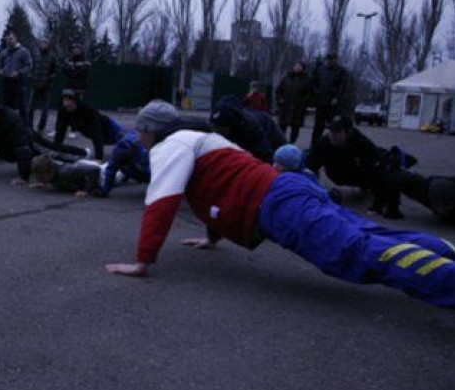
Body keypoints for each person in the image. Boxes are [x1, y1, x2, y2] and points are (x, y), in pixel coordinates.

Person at [104, 100, 455, 310]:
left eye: (141, 131)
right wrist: (212, 239)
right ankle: (442, 249)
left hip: (278, 204)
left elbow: (161, 203)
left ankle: (447, 281)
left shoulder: (169, 147)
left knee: (354, 252)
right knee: (367, 232)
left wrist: (142, 261)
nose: (138, 137)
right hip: (290, 188)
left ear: (152, 130)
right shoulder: (200, 138)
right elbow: (217, 190)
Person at [305, 115, 402, 218]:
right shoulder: (323, 143)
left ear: (348, 132)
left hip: (360, 176)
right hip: (337, 174)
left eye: (337, 132)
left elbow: (379, 172)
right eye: (331, 131)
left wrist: (377, 207)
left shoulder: (363, 144)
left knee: (384, 164)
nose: (332, 135)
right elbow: (309, 167)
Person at [209, 94, 285, 163]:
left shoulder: (252, 128)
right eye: (216, 128)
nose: (218, 132)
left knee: (283, 158)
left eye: (222, 129)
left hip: (270, 133)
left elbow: (265, 155)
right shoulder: (216, 125)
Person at [54, 90, 126, 161]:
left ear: (75, 101)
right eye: (64, 100)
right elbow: (61, 131)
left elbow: (97, 134)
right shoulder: (64, 112)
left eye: (69, 100)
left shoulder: (87, 110)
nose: (66, 103)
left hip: (110, 128)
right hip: (95, 135)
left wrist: (98, 158)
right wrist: (56, 150)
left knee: (128, 142)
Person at [311, 52, 349, 147]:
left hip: (333, 104)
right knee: (318, 126)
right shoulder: (320, 70)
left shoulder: (341, 71)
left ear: (336, 60)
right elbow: (313, 83)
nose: (330, 61)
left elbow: (342, 86)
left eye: (332, 59)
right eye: (329, 59)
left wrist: (337, 97)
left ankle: (333, 144)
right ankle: (315, 145)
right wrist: (317, 93)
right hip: (321, 102)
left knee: (334, 126)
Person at [99, 131, 151, 197]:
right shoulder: (117, 154)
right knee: (120, 168)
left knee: (148, 170)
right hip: (130, 155)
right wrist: (104, 191)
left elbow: (149, 170)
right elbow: (110, 171)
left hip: (143, 155)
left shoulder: (141, 151)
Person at [0, 30, 32, 122]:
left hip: (19, 82)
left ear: (16, 38)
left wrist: (19, 73)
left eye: (11, 38)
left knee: (22, 106)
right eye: (7, 39)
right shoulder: (4, 52)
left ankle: (25, 128)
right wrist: (0, 71)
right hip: (6, 81)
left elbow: (28, 66)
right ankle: (9, 126)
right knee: (7, 106)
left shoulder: (24, 51)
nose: (9, 40)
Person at [30, 154, 103, 197]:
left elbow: (94, 169)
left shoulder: (65, 172)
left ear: (50, 172)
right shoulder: (52, 173)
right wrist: (42, 182)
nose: (38, 179)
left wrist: (88, 191)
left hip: (101, 173)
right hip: (80, 166)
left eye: (41, 177)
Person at [275, 61, 311, 144]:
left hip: (298, 108)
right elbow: (279, 89)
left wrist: (303, 103)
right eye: (296, 66)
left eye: (300, 66)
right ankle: (279, 142)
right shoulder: (286, 78)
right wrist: (280, 98)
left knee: (295, 127)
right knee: (282, 126)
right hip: (285, 106)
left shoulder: (306, 80)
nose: (297, 68)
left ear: (303, 68)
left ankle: (291, 143)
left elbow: (309, 93)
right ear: (293, 67)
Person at [29, 38, 59, 132]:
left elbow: (56, 70)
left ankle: (41, 127)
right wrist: (30, 75)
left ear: (48, 45)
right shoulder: (35, 55)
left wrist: (50, 78)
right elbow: (31, 67)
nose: (43, 45)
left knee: (45, 109)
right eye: (42, 43)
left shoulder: (52, 56)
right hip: (35, 85)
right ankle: (29, 126)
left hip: (47, 86)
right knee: (30, 107)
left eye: (45, 43)